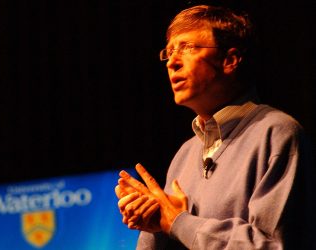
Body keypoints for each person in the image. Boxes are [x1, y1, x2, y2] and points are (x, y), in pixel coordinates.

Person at [115, 4, 315, 249]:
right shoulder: (185, 155)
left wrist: (178, 221)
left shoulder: (276, 134)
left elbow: (274, 246)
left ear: (230, 60)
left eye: (187, 47)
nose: (172, 62)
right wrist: (153, 221)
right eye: (169, 52)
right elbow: (170, 228)